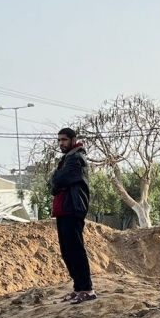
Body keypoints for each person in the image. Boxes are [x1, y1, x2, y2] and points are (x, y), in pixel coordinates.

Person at [48, 127, 95, 304]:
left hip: (73, 209)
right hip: (64, 209)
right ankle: (78, 289)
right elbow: (53, 183)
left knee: (76, 250)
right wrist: (56, 181)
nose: (61, 143)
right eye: (59, 140)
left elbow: (58, 180)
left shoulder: (77, 158)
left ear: (73, 140)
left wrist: (57, 180)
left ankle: (87, 289)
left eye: (64, 140)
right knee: (67, 251)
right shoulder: (67, 159)